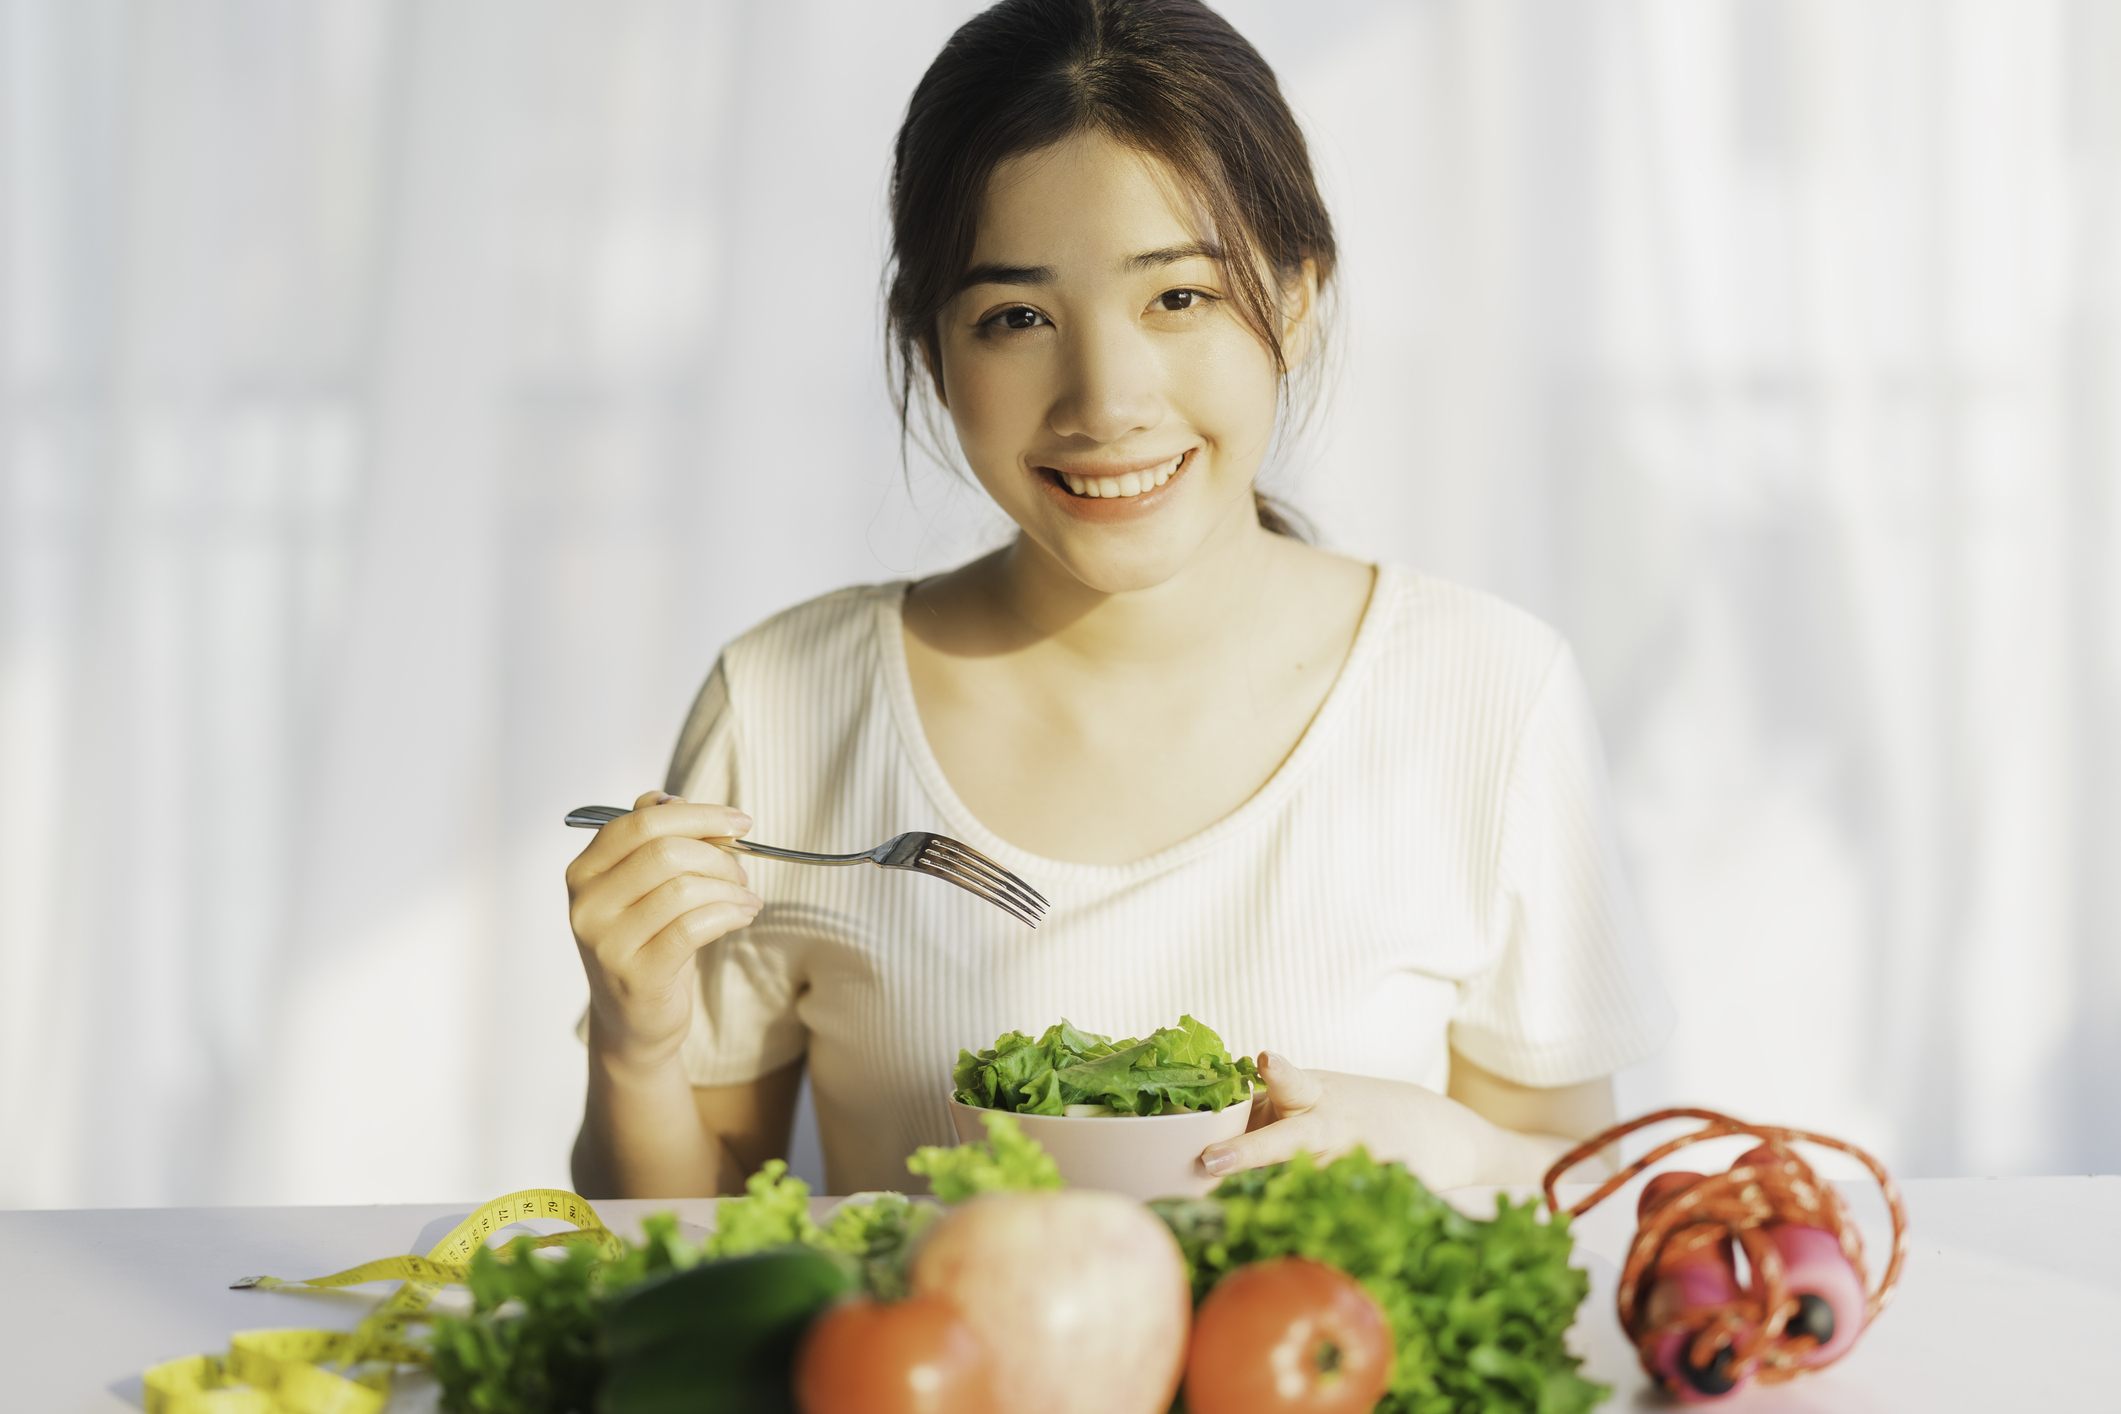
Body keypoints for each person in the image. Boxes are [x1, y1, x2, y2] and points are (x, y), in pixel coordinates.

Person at [566, 0, 1672, 1200]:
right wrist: (635, 1045)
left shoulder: (1490, 695)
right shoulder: (784, 703)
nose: (1107, 399)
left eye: (1178, 298)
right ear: (933, 355)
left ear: (1296, 301)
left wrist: (1445, 1143)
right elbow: (689, 1239)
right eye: (1017, 318)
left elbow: (1585, 1194)